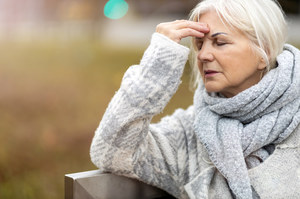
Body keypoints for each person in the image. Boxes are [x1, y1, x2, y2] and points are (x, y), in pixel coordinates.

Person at [90, 0, 300, 198]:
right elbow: (110, 152)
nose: (203, 55)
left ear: (264, 51)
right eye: (199, 45)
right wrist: (155, 68)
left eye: (220, 42)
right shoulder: (189, 134)